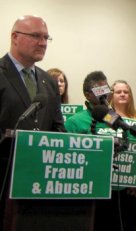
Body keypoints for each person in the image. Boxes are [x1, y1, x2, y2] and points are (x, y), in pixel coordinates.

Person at [0, 15, 66, 230]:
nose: (43, 43)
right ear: (15, 37)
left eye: (46, 37)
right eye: (36, 36)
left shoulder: (48, 81)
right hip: (4, 178)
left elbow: (57, 126)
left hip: (39, 181)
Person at [65, 71, 136, 231]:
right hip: (92, 193)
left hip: (124, 193)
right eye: (99, 90)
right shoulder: (75, 122)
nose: (106, 94)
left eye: (107, 89)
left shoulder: (118, 120)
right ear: (88, 95)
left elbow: (135, 151)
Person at [109, 79, 136, 230]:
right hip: (110, 180)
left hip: (132, 183)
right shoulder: (107, 116)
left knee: (130, 222)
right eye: (118, 92)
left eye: (126, 92)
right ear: (111, 95)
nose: (123, 94)